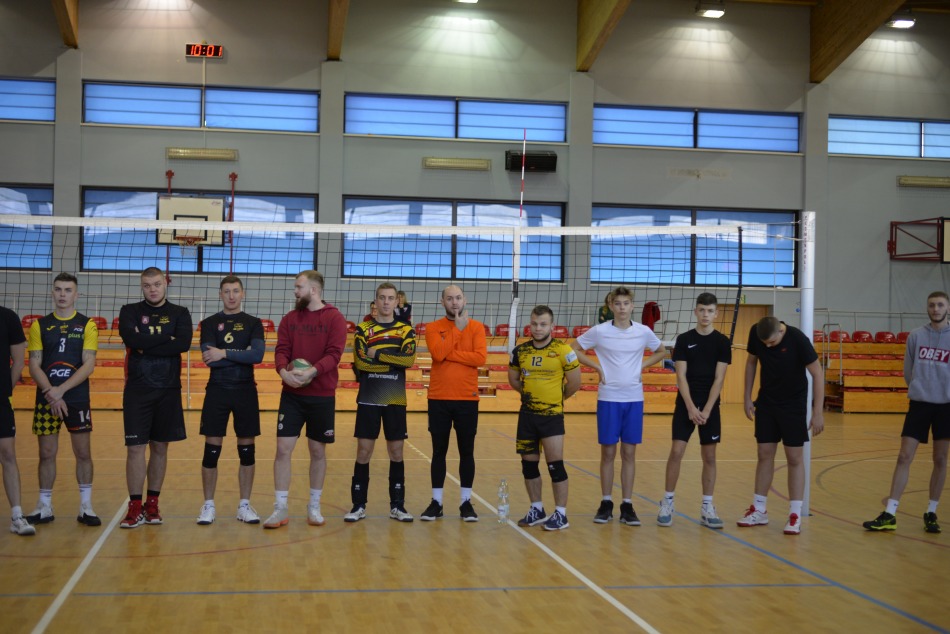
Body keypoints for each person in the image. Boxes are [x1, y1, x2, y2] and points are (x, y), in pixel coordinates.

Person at [570, 287, 667, 526]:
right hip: (608, 398)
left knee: (629, 453)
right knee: (608, 453)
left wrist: (642, 366)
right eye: (618, 303)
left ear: (632, 306)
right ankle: (606, 503)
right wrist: (596, 367)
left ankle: (627, 504)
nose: (622, 307)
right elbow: (573, 348)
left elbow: (662, 351)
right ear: (611, 306)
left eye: (626, 303)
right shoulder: (600, 331)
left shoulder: (643, 331)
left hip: (634, 398)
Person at [263, 270, 347, 529]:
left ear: (313, 290)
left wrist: (312, 372)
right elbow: (281, 350)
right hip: (292, 396)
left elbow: (334, 354)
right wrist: (283, 372)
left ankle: (314, 506)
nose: (295, 291)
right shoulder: (289, 319)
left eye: (299, 287)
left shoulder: (334, 318)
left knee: (317, 451)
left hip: (322, 395)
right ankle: (280, 508)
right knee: (282, 449)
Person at [863, 291, 949, 534]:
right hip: (920, 404)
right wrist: (919, 388)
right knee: (904, 456)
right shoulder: (916, 336)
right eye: (931, 305)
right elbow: (908, 371)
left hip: (946, 406)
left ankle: (931, 511)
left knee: (941, 459)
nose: (935, 309)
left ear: (948, 308)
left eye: (940, 305)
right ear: (927, 308)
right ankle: (890, 513)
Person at [118, 267, 193, 528]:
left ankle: (152, 505)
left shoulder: (180, 313)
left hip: (168, 390)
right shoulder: (129, 311)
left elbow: (182, 344)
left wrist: (145, 342)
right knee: (135, 448)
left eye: (157, 284)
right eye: (147, 285)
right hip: (137, 391)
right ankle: (134, 506)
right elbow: (130, 338)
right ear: (142, 286)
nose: (152, 289)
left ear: (165, 284)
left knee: (160, 448)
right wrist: (165, 339)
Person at [26, 273, 100, 528]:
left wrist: (61, 391)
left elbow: (89, 364)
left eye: (68, 290)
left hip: (76, 398)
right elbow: (34, 364)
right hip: (46, 399)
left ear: (76, 295)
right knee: (46, 453)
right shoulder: (39, 325)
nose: (62, 294)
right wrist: (51, 392)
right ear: (52, 293)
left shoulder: (87, 325)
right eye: (58, 289)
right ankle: (44, 506)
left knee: (83, 453)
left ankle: (86, 507)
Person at [739, 315, 824, 535]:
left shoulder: (798, 339)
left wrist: (817, 412)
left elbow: (817, 373)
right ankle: (759, 509)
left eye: (772, 343)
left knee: (794, 458)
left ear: (780, 331)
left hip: (793, 406)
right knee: (764, 454)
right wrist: (747, 397)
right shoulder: (757, 333)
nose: (768, 347)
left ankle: (795, 515)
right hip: (767, 403)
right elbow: (751, 362)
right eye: (764, 344)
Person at [656, 292, 731, 528]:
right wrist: (690, 407)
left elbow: (719, 379)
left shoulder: (722, 342)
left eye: (710, 311)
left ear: (716, 314)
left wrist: (706, 410)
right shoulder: (684, 339)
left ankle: (707, 507)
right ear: (695, 312)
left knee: (709, 456)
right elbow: (680, 376)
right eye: (702, 310)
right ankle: (667, 502)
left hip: (710, 406)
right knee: (676, 452)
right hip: (685, 404)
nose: (705, 314)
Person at [345, 282, 417, 523]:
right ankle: (358, 506)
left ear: (397, 302)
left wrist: (376, 354)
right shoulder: (363, 328)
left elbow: (408, 361)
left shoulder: (405, 329)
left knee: (396, 452)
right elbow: (361, 362)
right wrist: (392, 362)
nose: (386, 302)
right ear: (375, 302)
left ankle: (398, 506)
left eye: (390, 298)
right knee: (364, 451)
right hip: (369, 398)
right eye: (382, 298)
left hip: (395, 399)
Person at [197, 275, 266, 526]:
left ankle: (244, 505)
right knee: (211, 451)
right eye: (226, 291)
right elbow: (209, 359)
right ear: (220, 294)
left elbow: (257, 356)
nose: (231, 296)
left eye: (235, 291)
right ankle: (208, 505)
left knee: (247, 451)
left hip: (245, 390)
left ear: (242, 293)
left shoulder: (253, 323)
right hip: (217, 390)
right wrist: (240, 355)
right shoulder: (208, 323)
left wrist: (223, 352)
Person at [509, 305, 581, 531]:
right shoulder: (520, 351)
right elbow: (513, 380)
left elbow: (575, 383)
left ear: (552, 326)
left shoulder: (563, 350)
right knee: (528, 465)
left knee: (555, 465)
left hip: (551, 416)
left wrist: (554, 400)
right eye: (534, 324)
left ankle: (561, 514)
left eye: (543, 324)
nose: (538, 328)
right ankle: (537, 509)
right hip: (527, 415)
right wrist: (531, 396)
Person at [420, 285, 487, 522]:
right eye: (449, 298)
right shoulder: (432, 327)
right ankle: (436, 503)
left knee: (466, 452)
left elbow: (480, 358)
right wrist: (457, 331)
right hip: (439, 398)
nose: (455, 302)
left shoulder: (477, 327)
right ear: (442, 302)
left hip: (467, 399)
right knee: (439, 452)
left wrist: (449, 352)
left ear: (464, 299)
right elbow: (437, 355)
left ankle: (466, 503)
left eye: (458, 298)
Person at [1, 305, 33, 536]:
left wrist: (4, 392)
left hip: (1, 401)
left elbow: (19, 362)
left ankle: (17, 516)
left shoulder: (7, 317)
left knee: (8, 455)